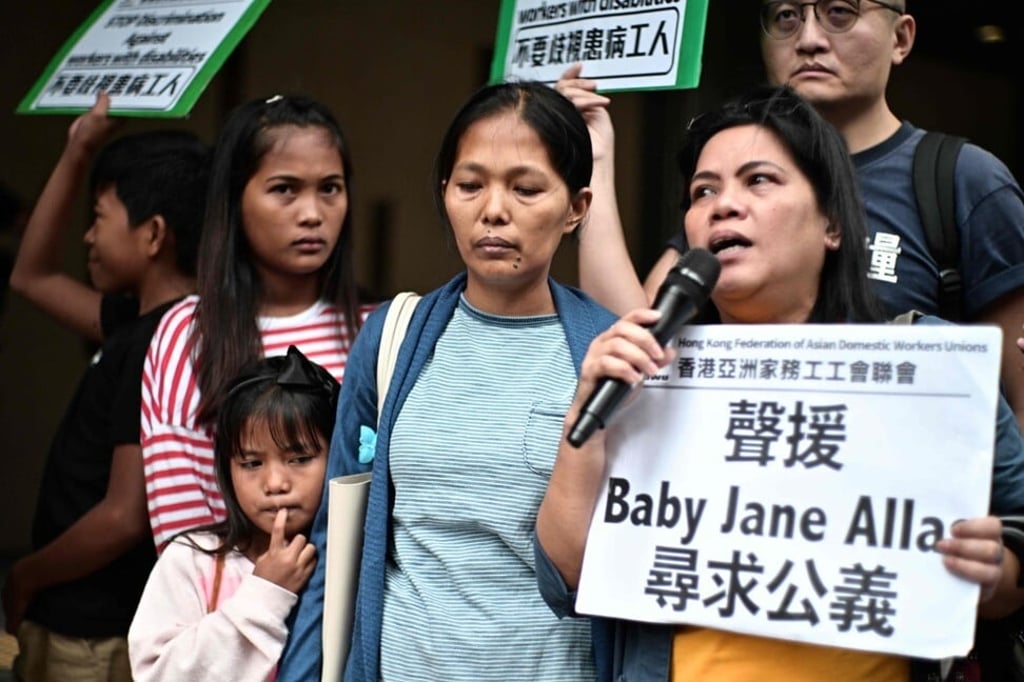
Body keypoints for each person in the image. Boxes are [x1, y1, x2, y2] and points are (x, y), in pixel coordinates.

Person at [535, 86, 1024, 682]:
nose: (722, 205)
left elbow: (1015, 554)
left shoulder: (929, 369)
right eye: (703, 191)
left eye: (759, 180)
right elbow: (567, 576)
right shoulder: (646, 375)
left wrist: (996, 574)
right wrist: (584, 415)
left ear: (833, 224)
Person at [278, 80, 615, 681]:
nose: (493, 210)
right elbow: (339, 534)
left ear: (576, 208)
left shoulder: (604, 354)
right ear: (445, 194)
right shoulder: (392, 337)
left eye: (526, 188)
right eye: (471, 185)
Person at [569, 0, 1024, 428]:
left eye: (839, 12)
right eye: (786, 16)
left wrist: (1009, 514)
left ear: (901, 38)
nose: (808, 38)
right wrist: (598, 160)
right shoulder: (726, 196)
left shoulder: (962, 178)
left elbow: (1016, 395)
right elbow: (634, 335)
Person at [1, 92, 209, 680]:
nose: (87, 238)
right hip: (82, 625)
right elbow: (32, 274)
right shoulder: (135, 325)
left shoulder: (161, 344)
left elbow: (125, 515)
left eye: (98, 217)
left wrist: (24, 576)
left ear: (153, 234)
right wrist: (78, 150)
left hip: (94, 638)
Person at [142, 94, 367, 549]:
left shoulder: (378, 329)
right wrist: (262, 600)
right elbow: (182, 537)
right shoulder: (189, 332)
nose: (312, 214)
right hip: (230, 607)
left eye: (330, 188)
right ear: (235, 200)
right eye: (285, 188)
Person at [128, 346, 335, 681]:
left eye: (299, 458)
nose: (275, 483)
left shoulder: (354, 560)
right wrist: (266, 593)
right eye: (251, 463)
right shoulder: (192, 562)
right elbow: (156, 675)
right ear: (227, 470)